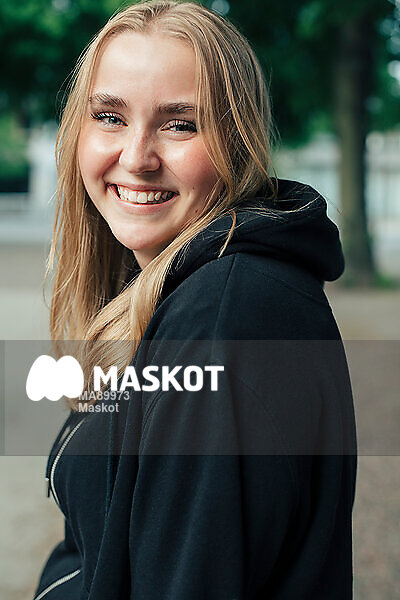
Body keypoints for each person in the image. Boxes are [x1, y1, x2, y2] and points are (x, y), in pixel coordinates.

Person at [34, 1, 357, 599]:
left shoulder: (223, 320)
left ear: (239, 142)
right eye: (109, 117)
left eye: (181, 124)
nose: (136, 157)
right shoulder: (185, 294)